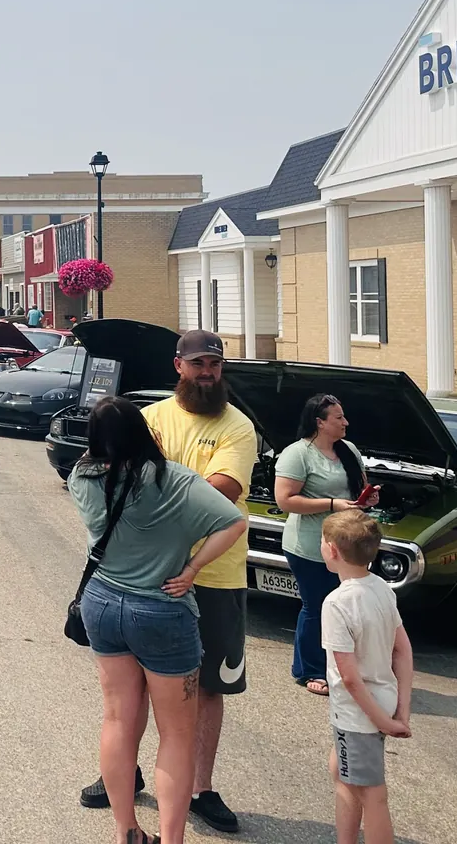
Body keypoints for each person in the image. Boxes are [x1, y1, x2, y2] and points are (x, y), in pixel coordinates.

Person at [80, 329, 255, 835]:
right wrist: (165, 489)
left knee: (208, 688)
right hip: (151, 583)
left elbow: (226, 489)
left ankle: (201, 788)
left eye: (216, 365)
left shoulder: (238, 427)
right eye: (199, 363)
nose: (208, 373)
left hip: (214, 574)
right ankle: (125, 776)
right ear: (178, 365)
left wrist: (152, 489)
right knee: (129, 691)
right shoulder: (152, 416)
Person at [275, 395, 379, 695]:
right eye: (338, 418)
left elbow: (358, 487)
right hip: (309, 546)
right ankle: (309, 669)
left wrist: (367, 499)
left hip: (347, 544)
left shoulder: (349, 451)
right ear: (319, 422)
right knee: (317, 606)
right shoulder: (297, 454)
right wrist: (332, 504)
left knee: (347, 607)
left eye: (343, 416)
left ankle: (343, 667)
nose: (345, 422)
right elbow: (285, 501)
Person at [320, 510, 412, 844]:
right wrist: (400, 709)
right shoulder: (382, 589)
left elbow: (349, 678)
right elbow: (403, 650)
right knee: (342, 771)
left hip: (359, 712)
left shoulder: (337, 604)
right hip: (382, 701)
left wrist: (383, 722)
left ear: (331, 550)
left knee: (372, 794)